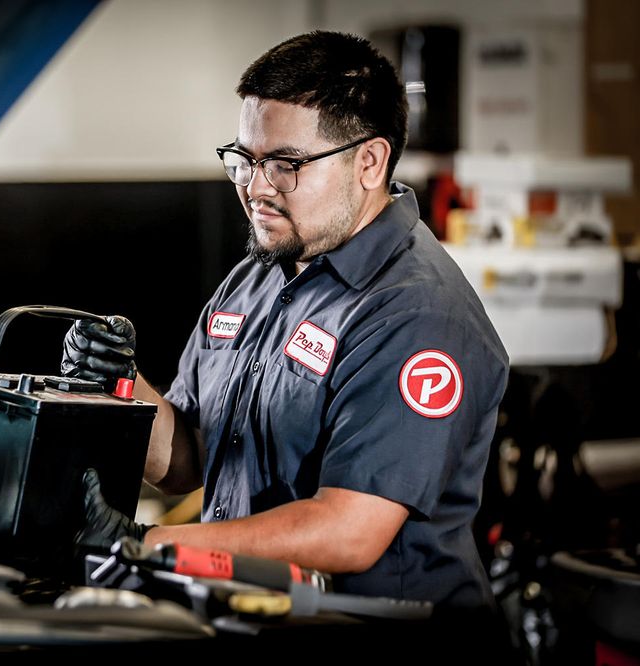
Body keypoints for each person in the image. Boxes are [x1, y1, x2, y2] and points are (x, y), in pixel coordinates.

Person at [62, 30, 509, 612]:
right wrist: (120, 388)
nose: (255, 188)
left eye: (284, 165)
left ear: (369, 162)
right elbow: (189, 461)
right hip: (253, 618)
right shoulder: (259, 275)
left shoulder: (417, 312)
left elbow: (348, 532)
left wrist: (147, 545)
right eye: (245, 161)